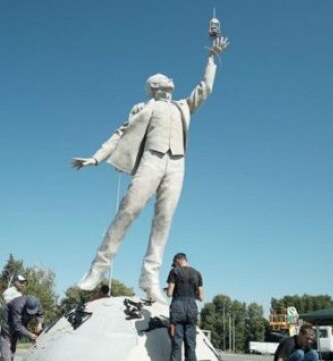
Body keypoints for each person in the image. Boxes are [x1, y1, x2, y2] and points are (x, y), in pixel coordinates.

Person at [72, 36, 229, 304]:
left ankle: (149, 278)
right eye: (164, 77)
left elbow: (205, 89)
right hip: (151, 161)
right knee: (128, 211)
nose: (170, 78)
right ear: (155, 86)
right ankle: (98, 268)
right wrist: (96, 158)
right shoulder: (144, 107)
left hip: (176, 164)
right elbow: (119, 133)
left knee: (163, 221)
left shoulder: (183, 107)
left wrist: (212, 58)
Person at [166, 252, 203, 361]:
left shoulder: (174, 271)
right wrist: (192, 294)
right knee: (191, 346)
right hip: (192, 309)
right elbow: (201, 297)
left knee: (176, 346)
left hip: (178, 309)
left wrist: (168, 289)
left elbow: (170, 293)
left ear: (177, 260)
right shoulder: (197, 273)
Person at [0, 295, 44, 361]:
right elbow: (17, 324)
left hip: (21, 318)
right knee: (7, 338)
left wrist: (39, 323)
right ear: (26, 305)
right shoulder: (17, 305)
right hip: (9, 318)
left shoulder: (38, 303)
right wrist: (29, 334)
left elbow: (40, 314)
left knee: (15, 338)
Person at [0, 274, 26, 361]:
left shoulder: (19, 294)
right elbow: (8, 303)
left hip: (14, 319)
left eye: (23, 282)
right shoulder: (9, 291)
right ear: (15, 281)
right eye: (20, 282)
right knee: (4, 340)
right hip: (8, 319)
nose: (22, 284)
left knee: (2, 340)